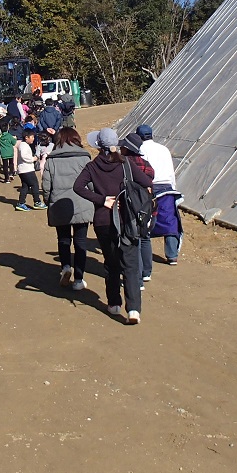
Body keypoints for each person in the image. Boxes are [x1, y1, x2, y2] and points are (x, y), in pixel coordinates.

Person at [74, 128, 152, 324]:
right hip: (127, 219)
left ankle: (114, 304)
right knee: (131, 265)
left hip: (103, 220)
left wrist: (101, 200)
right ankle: (133, 309)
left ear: (98, 146)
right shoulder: (126, 164)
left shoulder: (92, 167)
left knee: (111, 263)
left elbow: (78, 187)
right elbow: (146, 182)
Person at [42, 127, 94, 291]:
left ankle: (65, 267)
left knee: (63, 239)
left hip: (60, 204)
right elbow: (92, 183)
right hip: (82, 204)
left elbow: (46, 186)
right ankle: (79, 279)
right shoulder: (84, 158)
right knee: (81, 242)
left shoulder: (52, 159)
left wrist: (48, 201)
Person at [137, 124, 183, 265]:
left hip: (149, 188)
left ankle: (142, 251)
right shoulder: (163, 149)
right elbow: (170, 170)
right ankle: (172, 255)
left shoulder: (140, 149)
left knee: (145, 221)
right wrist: (173, 187)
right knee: (170, 221)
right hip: (167, 188)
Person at [119, 132, 156, 285]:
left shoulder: (123, 164)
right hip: (146, 206)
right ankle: (146, 272)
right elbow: (150, 180)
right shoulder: (146, 164)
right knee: (145, 238)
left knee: (132, 241)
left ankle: (137, 279)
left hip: (130, 207)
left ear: (127, 149)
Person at [14, 128, 46, 211]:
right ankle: (37, 202)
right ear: (26, 137)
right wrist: (33, 159)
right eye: (32, 137)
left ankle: (21, 203)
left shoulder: (23, 145)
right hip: (26, 170)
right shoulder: (23, 145)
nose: (33, 139)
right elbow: (25, 156)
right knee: (34, 184)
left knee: (25, 186)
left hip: (23, 169)